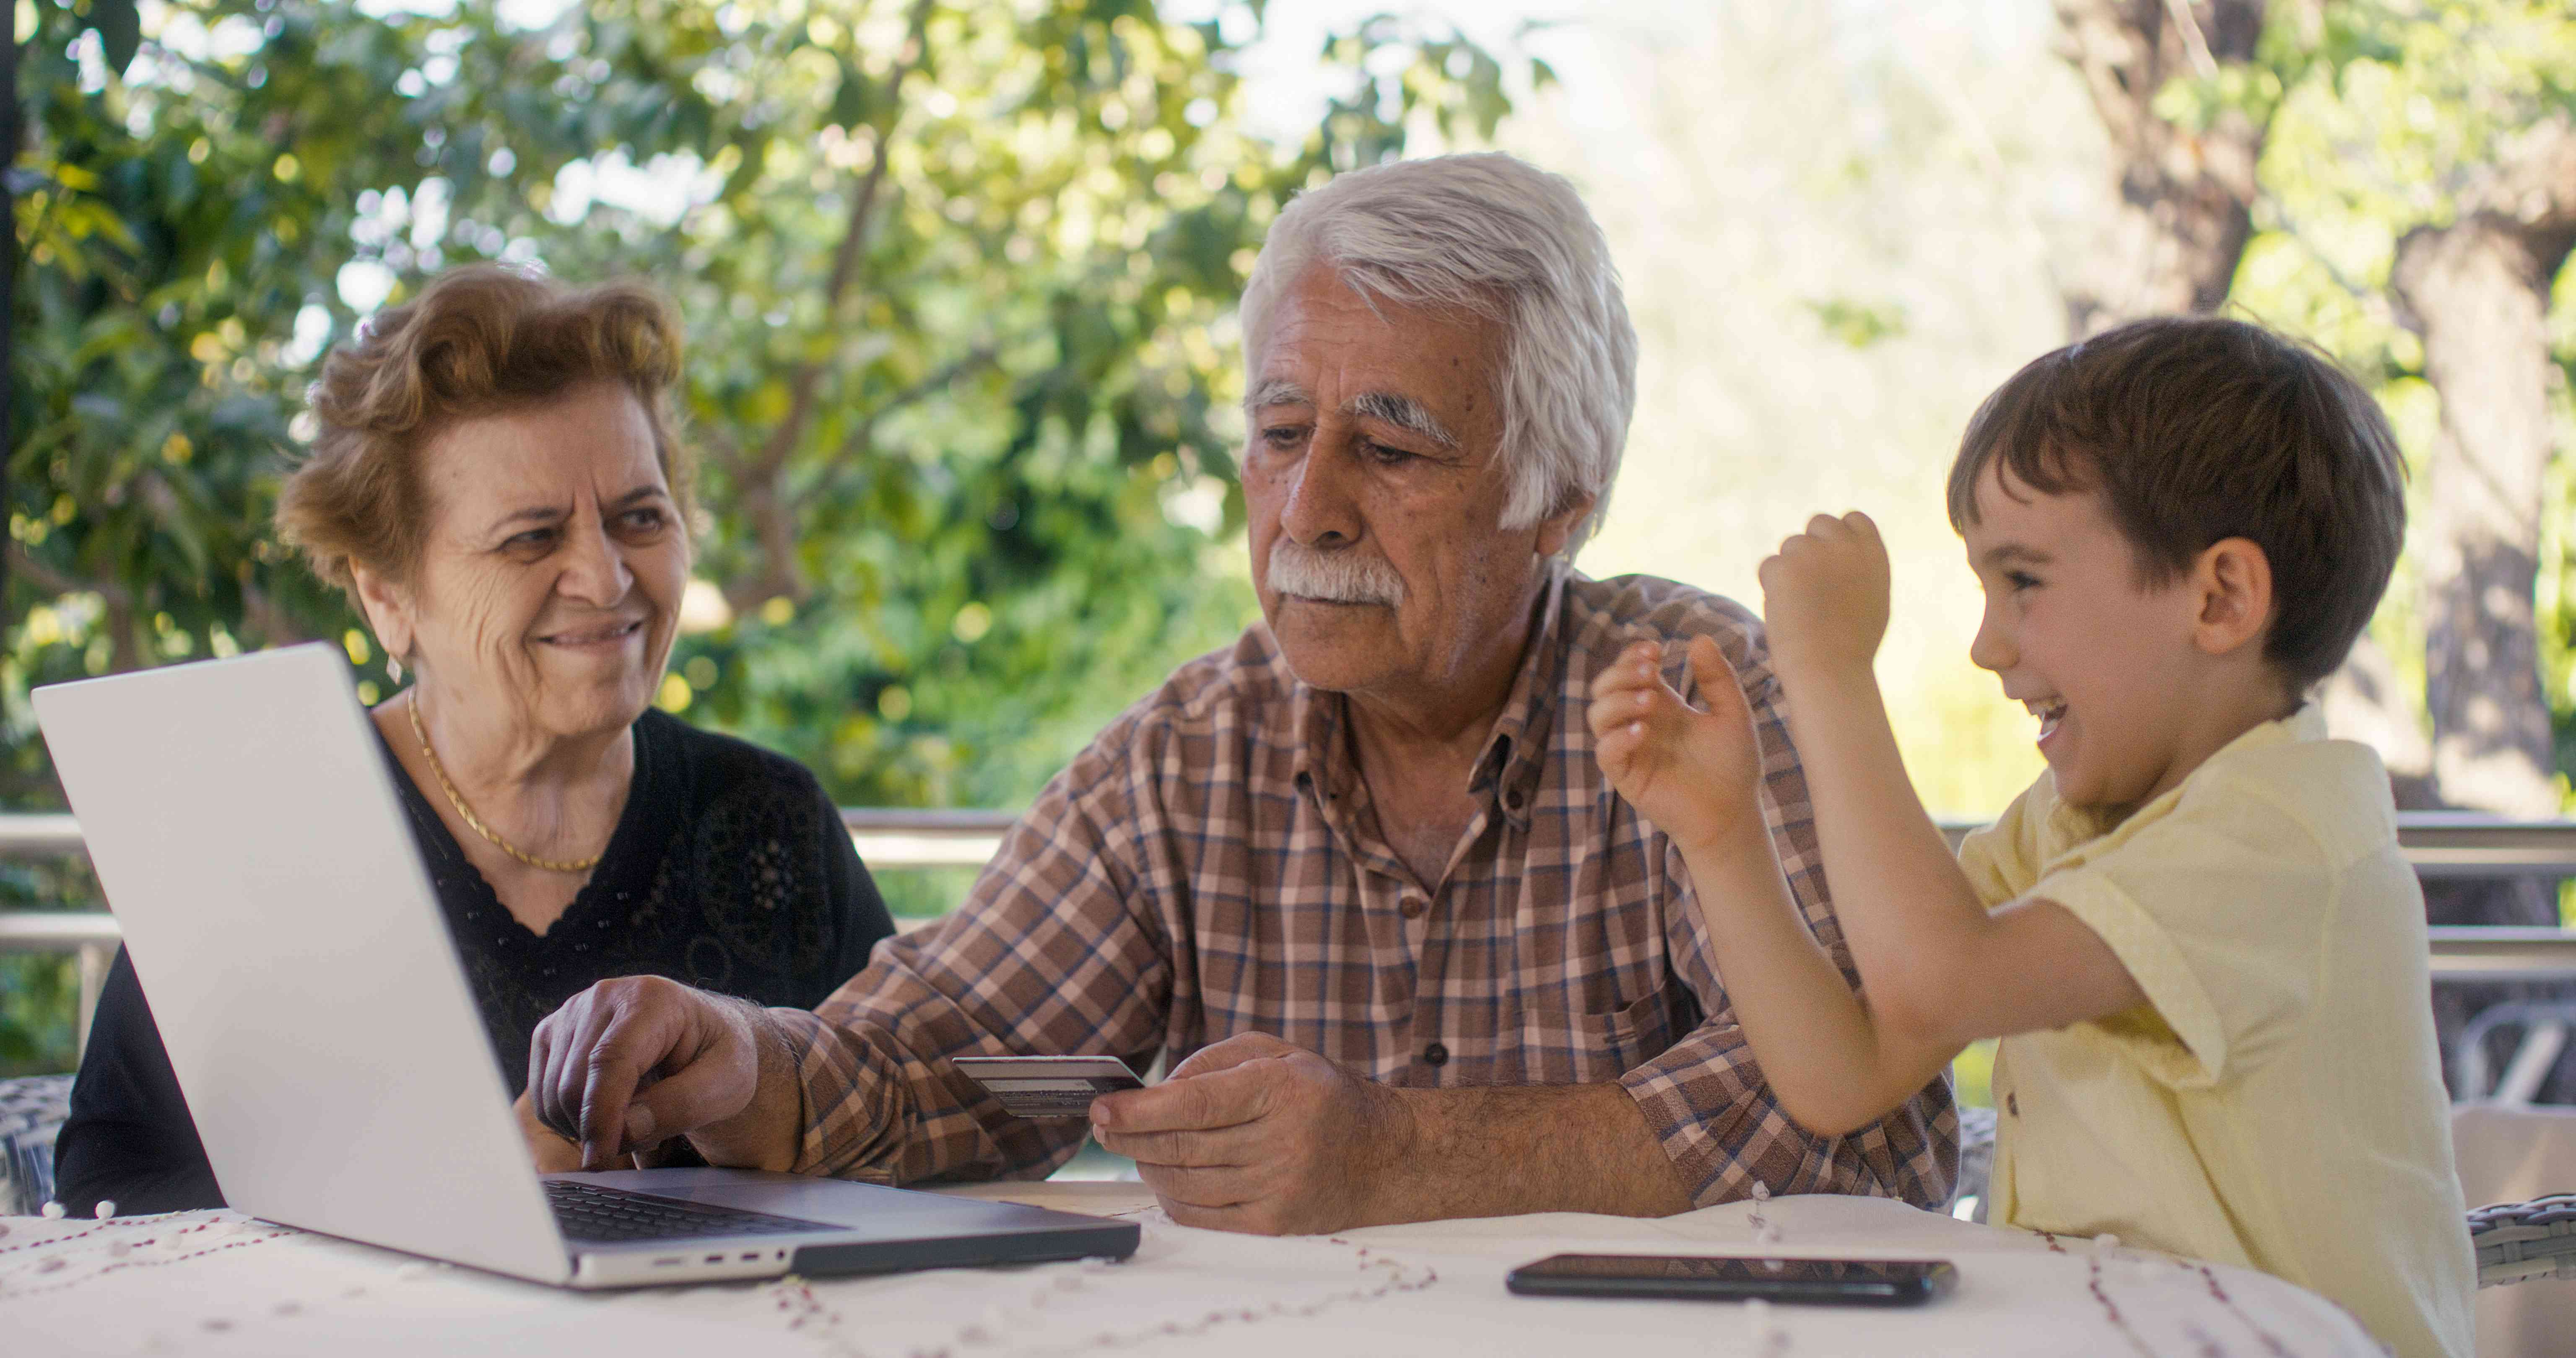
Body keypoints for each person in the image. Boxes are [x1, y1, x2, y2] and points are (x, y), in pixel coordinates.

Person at [522, 152, 1953, 1234]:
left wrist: (1400, 1156)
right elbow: (936, 1061)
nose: (1307, 509)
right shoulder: (1190, 757)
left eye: (1392, 449)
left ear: (1559, 500)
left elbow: (1876, 1140)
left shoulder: (1708, 697)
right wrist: (738, 1069)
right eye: (1280, 432)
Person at [1589, 316, 2473, 1358]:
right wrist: (1722, 835)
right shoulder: (2066, 826)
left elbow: (1936, 982)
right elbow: (1848, 1074)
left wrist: (1826, 673)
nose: (1985, 645)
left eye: (2024, 583)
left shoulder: (2284, 834)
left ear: (2221, 596)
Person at [51, 267, 896, 1215]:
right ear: (387, 594)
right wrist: (462, 1198)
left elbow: (907, 1131)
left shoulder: (773, 821)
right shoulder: (263, 832)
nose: (605, 575)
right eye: (532, 538)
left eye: (641, 517)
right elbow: (108, 1191)